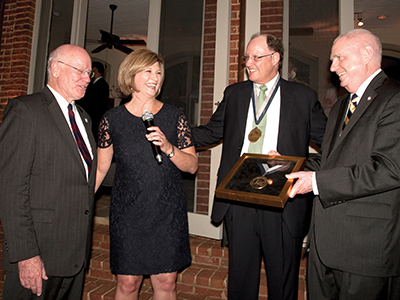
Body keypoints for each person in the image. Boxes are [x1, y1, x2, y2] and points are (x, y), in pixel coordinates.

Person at [191, 33, 326, 300]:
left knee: (282, 277)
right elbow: (210, 133)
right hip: (239, 194)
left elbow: (331, 142)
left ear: (275, 58)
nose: (248, 63)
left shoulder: (303, 96)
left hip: (282, 195)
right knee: (240, 276)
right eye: (246, 57)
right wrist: (173, 129)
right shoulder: (235, 94)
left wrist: (297, 165)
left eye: (256, 57)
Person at [286, 29, 400, 299]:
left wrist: (316, 183)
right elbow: (329, 161)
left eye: (339, 58)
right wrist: (287, 164)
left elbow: (388, 169)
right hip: (324, 247)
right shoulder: (340, 106)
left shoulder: (395, 99)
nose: (332, 67)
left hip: (365, 250)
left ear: (367, 54)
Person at [95, 48, 198, 300]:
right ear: (131, 76)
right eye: (148, 71)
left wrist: (169, 147)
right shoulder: (112, 119)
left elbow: (192, 166)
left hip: (166, 211)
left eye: (159, 72)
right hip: (128, 212)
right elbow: (100, 168)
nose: (156, 77)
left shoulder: (175, 117)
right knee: (128, 282)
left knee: (166, 281)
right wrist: (79, 203)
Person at [0, 44, 97, 299]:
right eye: (80, 70)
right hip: (39, 256)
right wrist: (26, 254)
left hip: (74, 257)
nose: (87, 79)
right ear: (55, 68)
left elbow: (82, 177)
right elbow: (10, 189)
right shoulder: (26, 111)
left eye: (90, 73)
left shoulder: (84, 118)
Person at [79, 61, 110, 141]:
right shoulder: (93, 84)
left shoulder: (102, 85)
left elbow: (92, 102)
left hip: (95, 119)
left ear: (95, 69)